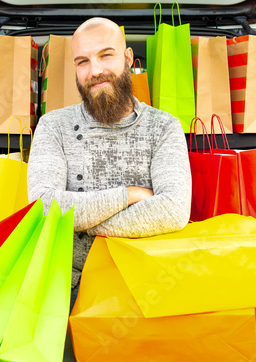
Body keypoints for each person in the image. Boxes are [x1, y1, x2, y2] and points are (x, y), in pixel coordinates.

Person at [27, 16, 191, 296]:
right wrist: (129, 195)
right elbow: (44, 207)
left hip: (149, 278)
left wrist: (80, 227)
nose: (95, 70)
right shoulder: (53, 126)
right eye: (83, 61)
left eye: (106, 55)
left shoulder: (165, 126)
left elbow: (173, 210)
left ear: (128, 58)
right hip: (68, 280)